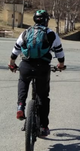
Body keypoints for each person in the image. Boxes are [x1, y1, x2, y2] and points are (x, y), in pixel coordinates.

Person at [8, 9, 65, 137]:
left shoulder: (26, 32)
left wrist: (12, 63)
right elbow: (59, 53)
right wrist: (60, 65)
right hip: (42, 68)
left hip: (26, 65)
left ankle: (20, 106)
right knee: (43, 97)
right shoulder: (51, 34)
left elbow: (15, 50)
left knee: (23, 81)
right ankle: (44, 126)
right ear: (46, 21)